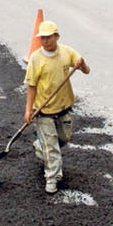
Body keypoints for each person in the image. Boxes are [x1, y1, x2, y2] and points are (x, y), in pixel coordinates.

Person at [23, 20, 90, 194]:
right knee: (52, 147)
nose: (45, 41)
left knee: (63, 140)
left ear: (56, 36)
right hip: (43, 111)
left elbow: (86, 69)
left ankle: (40, 146)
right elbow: (31, 86)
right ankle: (52, 178)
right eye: (42, 38)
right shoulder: (36, 59)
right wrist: (28, 110)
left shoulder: (67, 52)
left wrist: (81, 65)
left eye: (49, 37)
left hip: (63, 107)